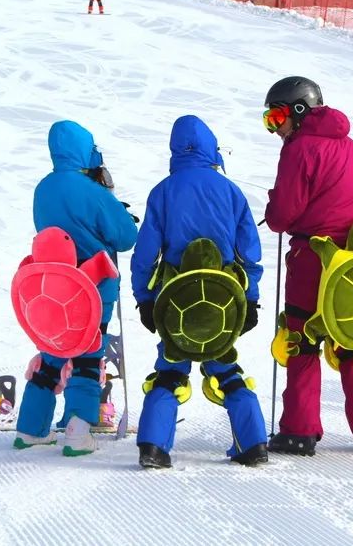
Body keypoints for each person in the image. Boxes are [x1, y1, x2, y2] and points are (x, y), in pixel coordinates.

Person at [131, 115, 267, 469]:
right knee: (226, 367)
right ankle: (253, 444)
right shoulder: (230, 191)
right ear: (211, 147)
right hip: (223, 299)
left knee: (171, 371)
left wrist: (144, 300)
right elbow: (249, 250)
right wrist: (250, 297)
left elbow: (145, 254)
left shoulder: (163, 191)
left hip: (176, 302)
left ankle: (154, 448)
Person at [262, 76, 353, 457]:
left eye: (278, 117)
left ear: (299, 112)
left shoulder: (300, 150)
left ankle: (300, 430)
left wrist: (273, 207)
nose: (276, 128)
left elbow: (283, 215)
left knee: (302, 339)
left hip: (314, 258)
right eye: (269, 120)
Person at [13, 120, 138, 456]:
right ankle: (77, 431)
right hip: (92, 288)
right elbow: (126, 238)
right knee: (87, 356)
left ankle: (29, 429)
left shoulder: (44, 187)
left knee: (52, 354)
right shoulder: (93, 191)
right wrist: (117, 211)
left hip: (52, 288)